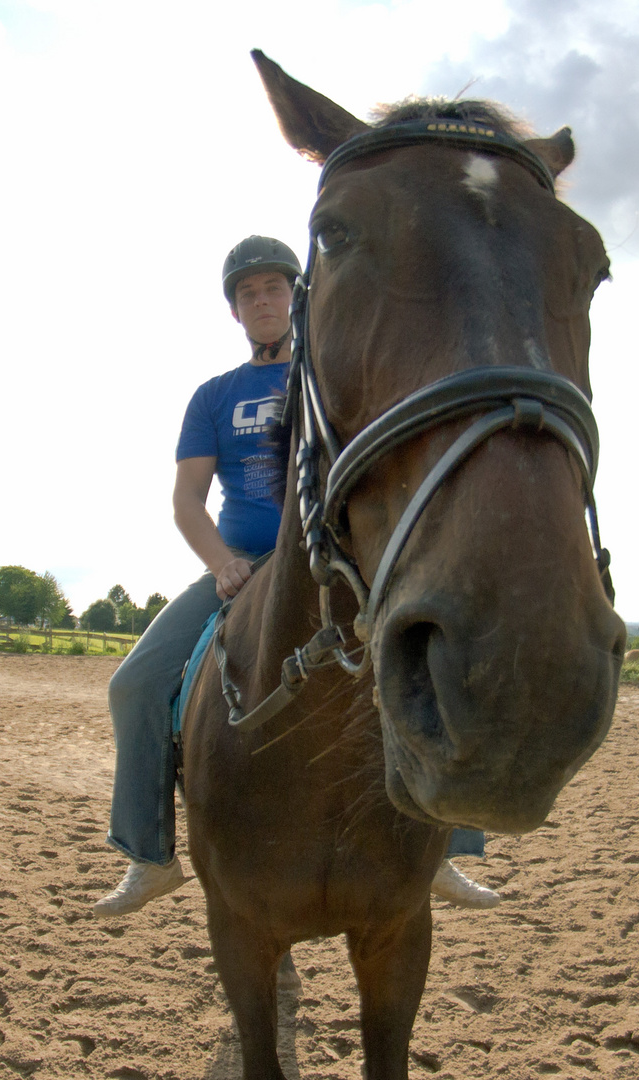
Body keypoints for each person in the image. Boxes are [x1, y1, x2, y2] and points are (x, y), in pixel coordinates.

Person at [93, 235, 499, 916]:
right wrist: (222, 564)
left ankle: (446, 851)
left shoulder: (337, 375)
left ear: (297, 295)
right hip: (241, 572)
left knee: (434, 662)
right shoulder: (213, 397)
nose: (261, 300)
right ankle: (151, 855)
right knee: (134, 685)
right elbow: (186, 500)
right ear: (234, 311)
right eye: (247, 292)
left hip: (341, 563)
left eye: (273, 287)